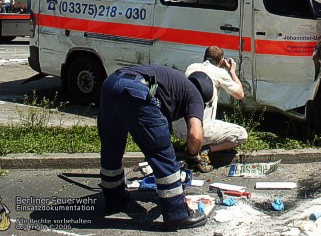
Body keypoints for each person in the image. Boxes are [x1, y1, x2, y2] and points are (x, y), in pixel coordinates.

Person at [98, 65, 211, 231]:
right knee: (163, 154)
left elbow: (150, 91)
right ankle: (176, 214)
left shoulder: (172, 79)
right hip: (134, 88)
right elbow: (195, 135)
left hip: (111, 84)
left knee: (112, 146)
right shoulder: (195, 96)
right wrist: (192, 155)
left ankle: (115, 199)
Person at [173, 47, 247, 161]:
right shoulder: (220, 72)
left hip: (180, 129)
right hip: (200, 130)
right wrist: (232, 72)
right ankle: (206, 149)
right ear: (221, 61)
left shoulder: (191, 67)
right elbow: (240, 94)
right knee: (241, 135)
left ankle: (192, 144)